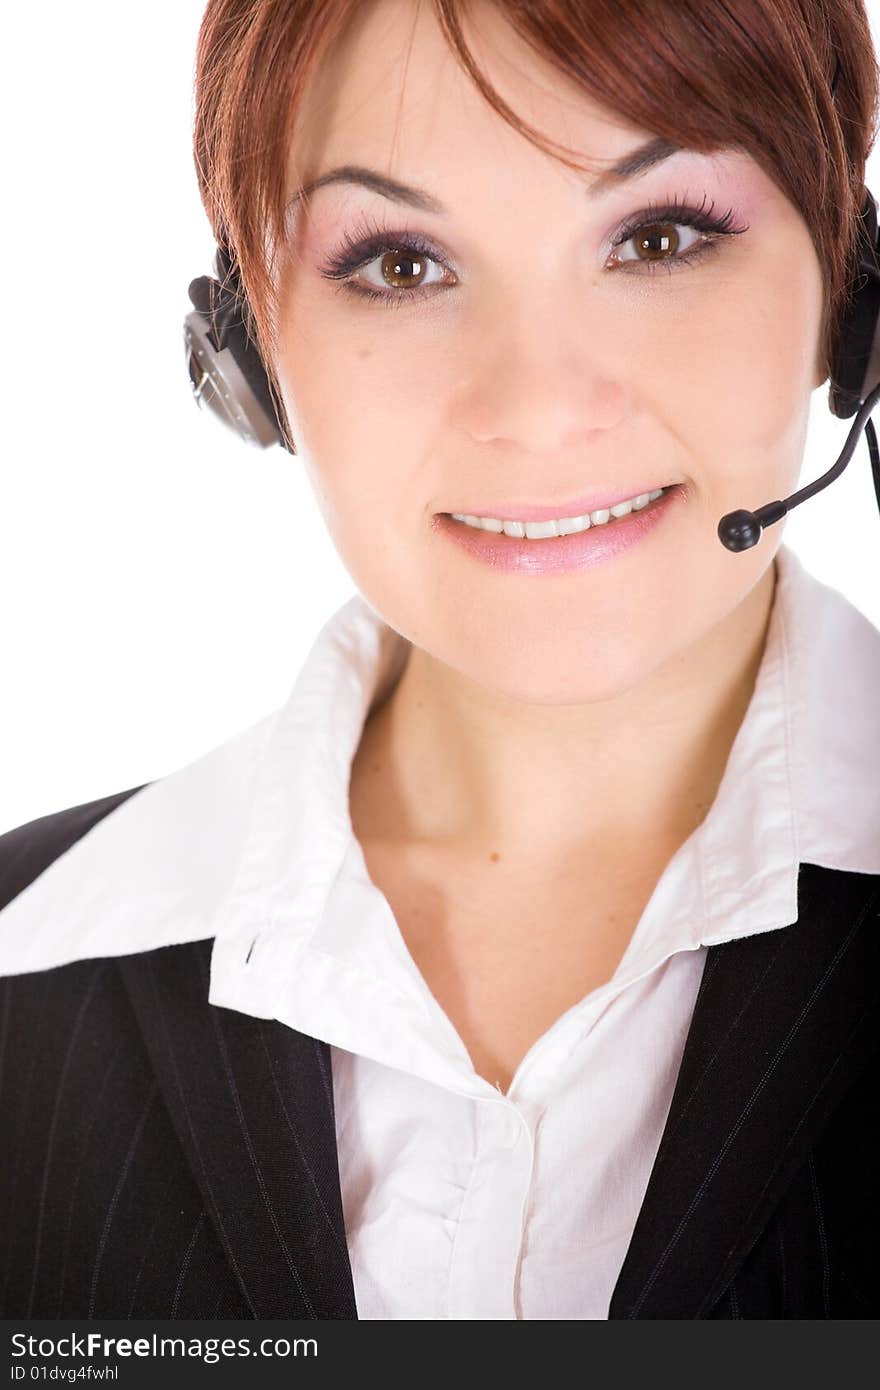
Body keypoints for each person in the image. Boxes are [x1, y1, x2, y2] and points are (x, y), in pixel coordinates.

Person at [1, 0, 879, 1321]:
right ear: (251, 354)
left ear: (851, 301)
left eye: (657, 237)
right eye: (403, 264)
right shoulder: (24, 974)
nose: (537, 406)